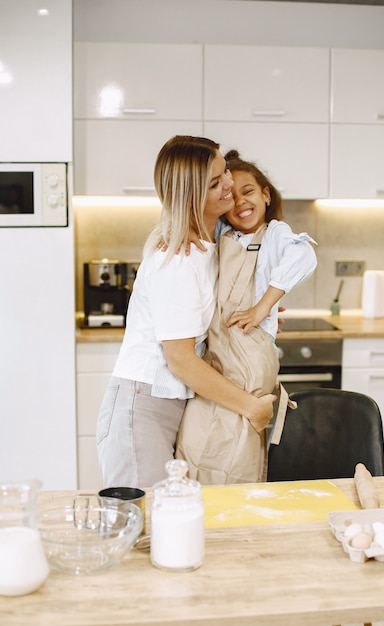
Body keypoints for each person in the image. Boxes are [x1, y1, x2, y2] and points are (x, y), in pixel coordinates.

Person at [96, 136, 277, 488]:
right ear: (192, 197)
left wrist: (260, 314)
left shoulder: (208, 244)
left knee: (173, 522)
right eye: (215, 183)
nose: (229, 185)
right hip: (144, 407)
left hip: (172, 403)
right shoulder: (178, 259)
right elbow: (180, 360)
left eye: (224, 170)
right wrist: (250, 407)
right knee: (145, 527)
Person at [175, 150, 317, 484]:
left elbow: (304, 255)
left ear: (266, 194)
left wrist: (263, 307)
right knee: (199, 444)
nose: (240, 202)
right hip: (217, 358)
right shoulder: (223, 233)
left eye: (249, 191)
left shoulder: (275, 233)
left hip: (249, 359)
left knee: (236, 456)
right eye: (232, 194)